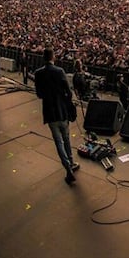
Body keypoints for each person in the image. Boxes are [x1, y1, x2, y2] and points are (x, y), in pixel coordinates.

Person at [34, 48, 79, 185]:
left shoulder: (38, 73)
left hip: (50, 113)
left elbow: (39, 95)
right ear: (53, 57)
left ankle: (67, 168)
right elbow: (68, 92)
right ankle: (71, 162)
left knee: (58, 142)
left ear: (43, 57)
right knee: (66, 138)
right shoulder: (59, 71)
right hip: (62, 111)